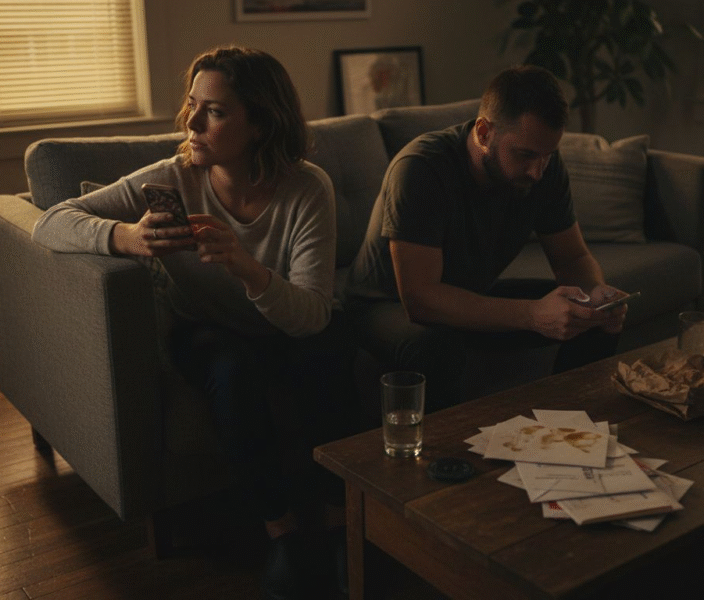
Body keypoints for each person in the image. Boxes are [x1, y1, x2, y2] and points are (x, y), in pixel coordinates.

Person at [32, 46, 354, 599]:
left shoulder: (307, 188)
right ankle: (281, 534)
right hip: (208, 330)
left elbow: (311, 315)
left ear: (261, 122)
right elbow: (52, 222)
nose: (193, 122)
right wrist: (127, 237)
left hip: (285, 325)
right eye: (192, 105)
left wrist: (246, 268)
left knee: (332, 352)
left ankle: (332, 524)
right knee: (232, 371)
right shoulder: (173, 177)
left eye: (216, 111)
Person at [343, 65, 629, 413]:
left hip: (469, 292)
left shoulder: (544, 168)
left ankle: (568, 430)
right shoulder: (421, 168)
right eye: (525, 154)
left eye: (547, 155)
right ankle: (447, 449)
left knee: (589, 318)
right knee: (434, 345)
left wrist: (597, 297)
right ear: (483, 132)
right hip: (385, 306)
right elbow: (420, 299)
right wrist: (532, 314)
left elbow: (572, 259)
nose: (537, 171)